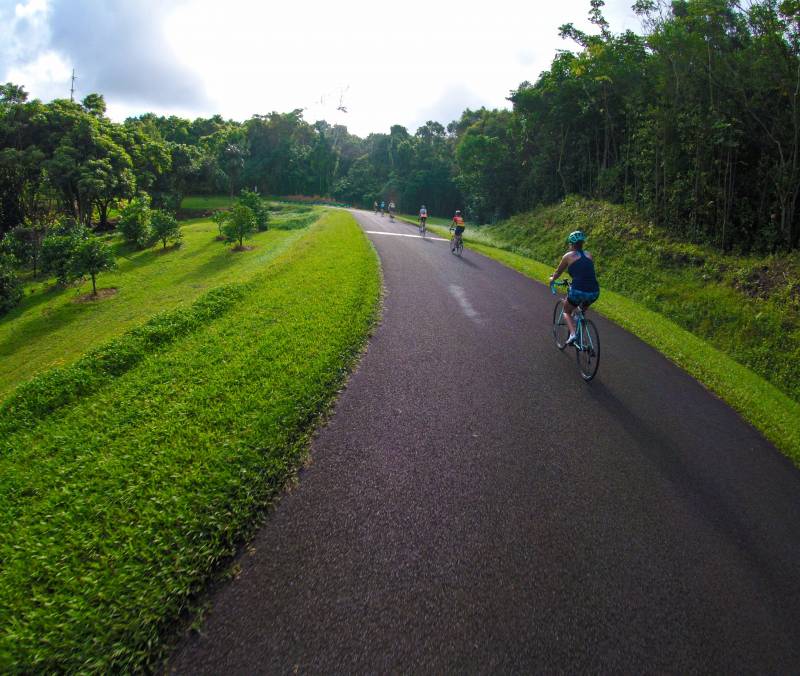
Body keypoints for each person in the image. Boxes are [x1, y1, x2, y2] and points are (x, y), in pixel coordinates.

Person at [549, 230, 600, 346]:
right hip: (594, 292)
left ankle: (573, 334)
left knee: (566, 311)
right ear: (582, 243)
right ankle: (580, 325)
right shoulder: (589, 255)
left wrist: (552, 279)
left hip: (578, 290)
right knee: (581, 311)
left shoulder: (568, 256)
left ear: (571, 244)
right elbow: (585, 273)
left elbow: (558, 273)